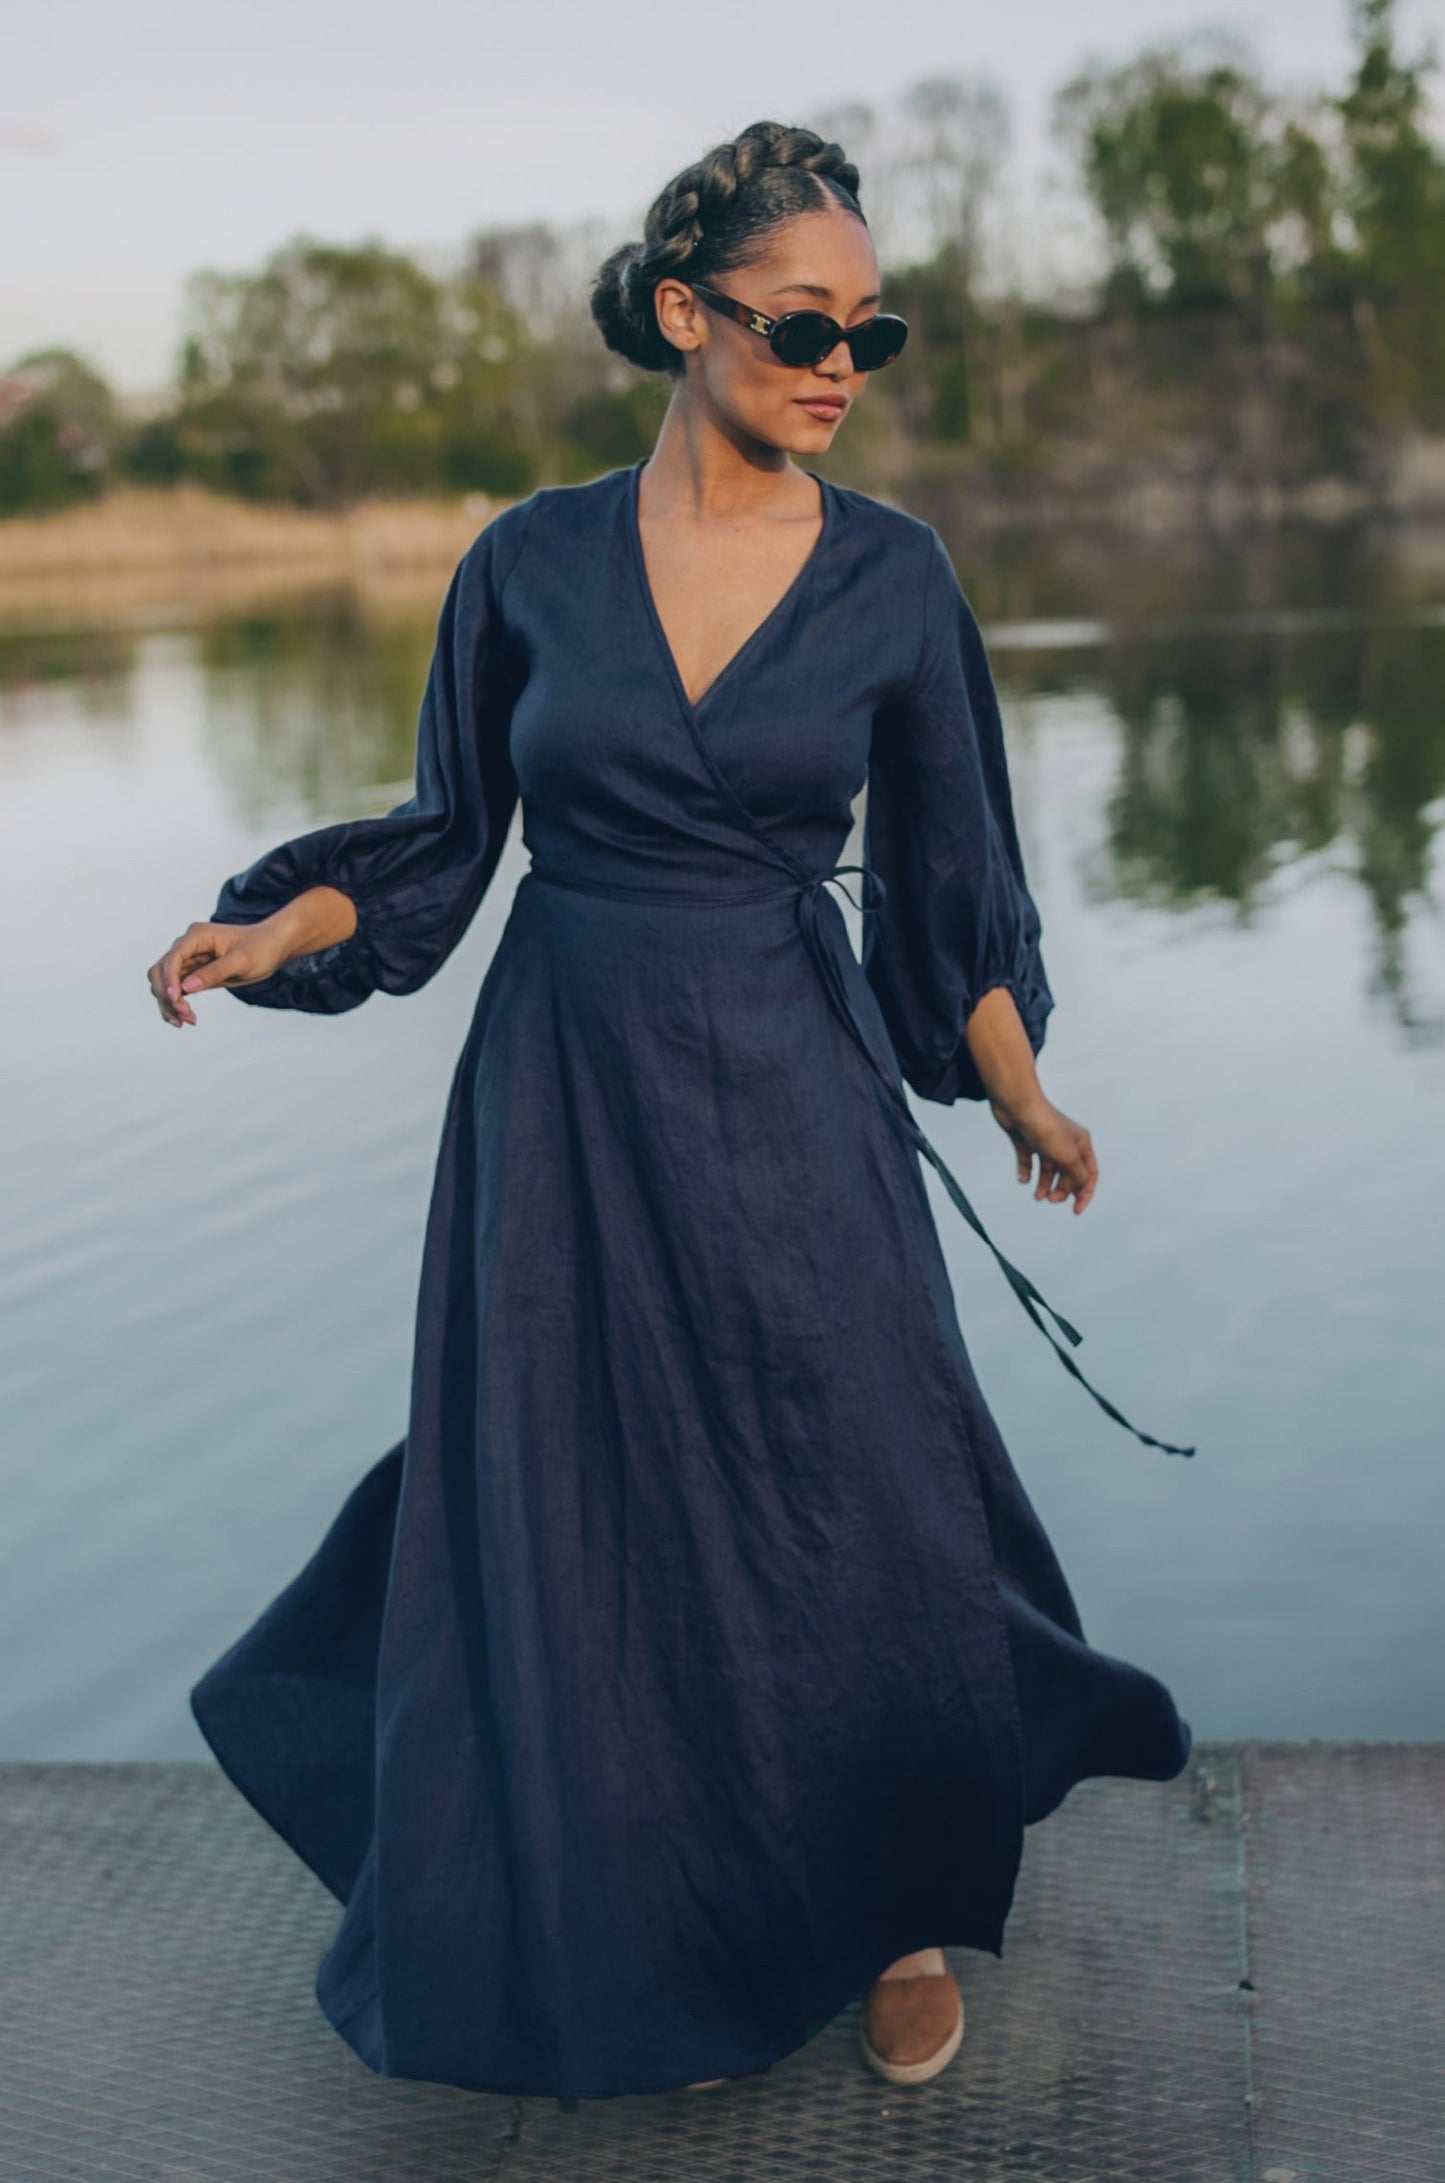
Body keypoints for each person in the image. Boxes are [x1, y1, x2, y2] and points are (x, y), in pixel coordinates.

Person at [148, 119, 1193, 2107]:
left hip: (790, 1064)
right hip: (567, 1084)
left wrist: (1022, 1089)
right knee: (592, 1493)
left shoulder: (895, 580)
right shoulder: (526, 561)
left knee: (860, 1475)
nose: (843, 366)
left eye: (873, 336)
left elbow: (956, 891)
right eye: (809, 325)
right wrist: (269, 923)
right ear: (688, 311)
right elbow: (452, 836)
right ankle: (647, 1911)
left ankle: (890, 1913)